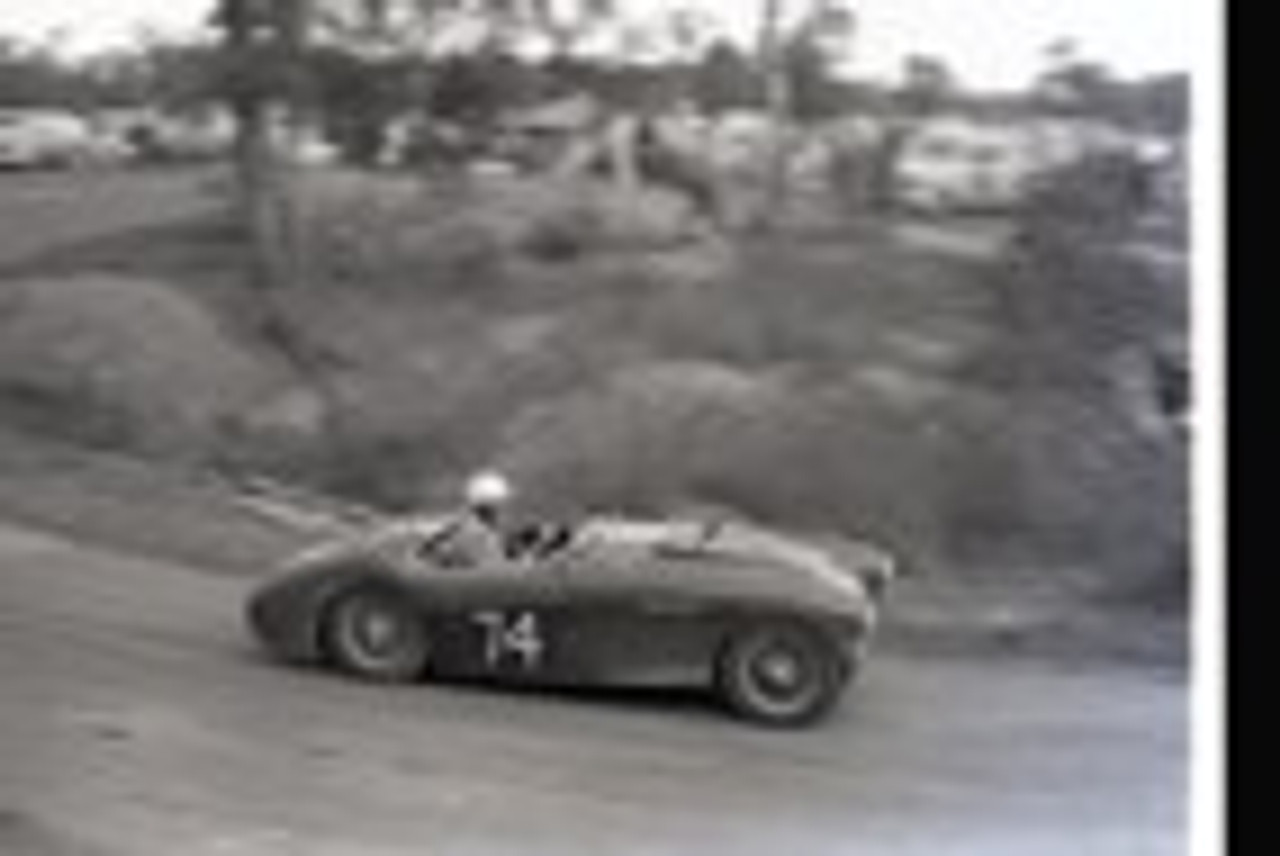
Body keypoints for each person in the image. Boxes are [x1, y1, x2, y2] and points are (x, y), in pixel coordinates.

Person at [427, 471, 516, 569]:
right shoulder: (476, 532)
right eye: (501, 503)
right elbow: (493, 564)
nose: (502, 510)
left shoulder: (460, 525)